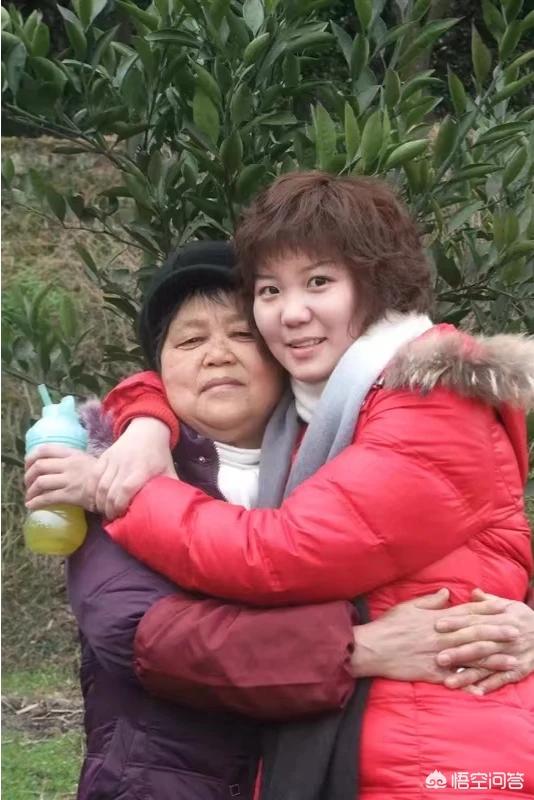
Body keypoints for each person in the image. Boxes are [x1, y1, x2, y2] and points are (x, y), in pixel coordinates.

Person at [34, 173, 534, 799]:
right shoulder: (120, 463)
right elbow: (151, 640)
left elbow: (291, 553)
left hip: (434, 761)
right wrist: (359, 648)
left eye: (241, 334)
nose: (217, 354)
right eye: (189, 341)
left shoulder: (376, 418)